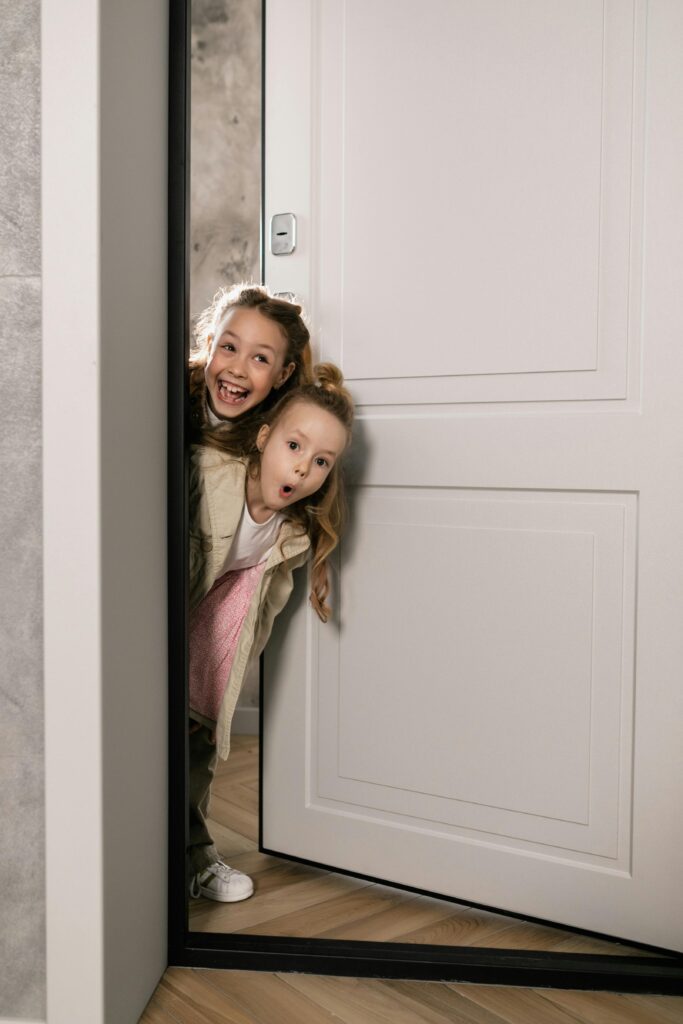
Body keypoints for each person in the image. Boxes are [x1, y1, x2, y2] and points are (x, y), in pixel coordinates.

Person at [187, 363, 355, 902]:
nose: (303, 467)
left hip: (207, 661)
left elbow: (259, 608)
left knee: (193, 766)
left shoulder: (293, 533)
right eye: (294, 445)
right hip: (162, 639)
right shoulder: (209, 473)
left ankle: (193, 857)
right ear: (263, 438)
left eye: (321, 461)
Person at [189, 282, 313, 443]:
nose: (237, 370)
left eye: (260, 358)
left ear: (282, 375)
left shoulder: (279, 440)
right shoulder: (168, 396)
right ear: (210, 345)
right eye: (229, 347)